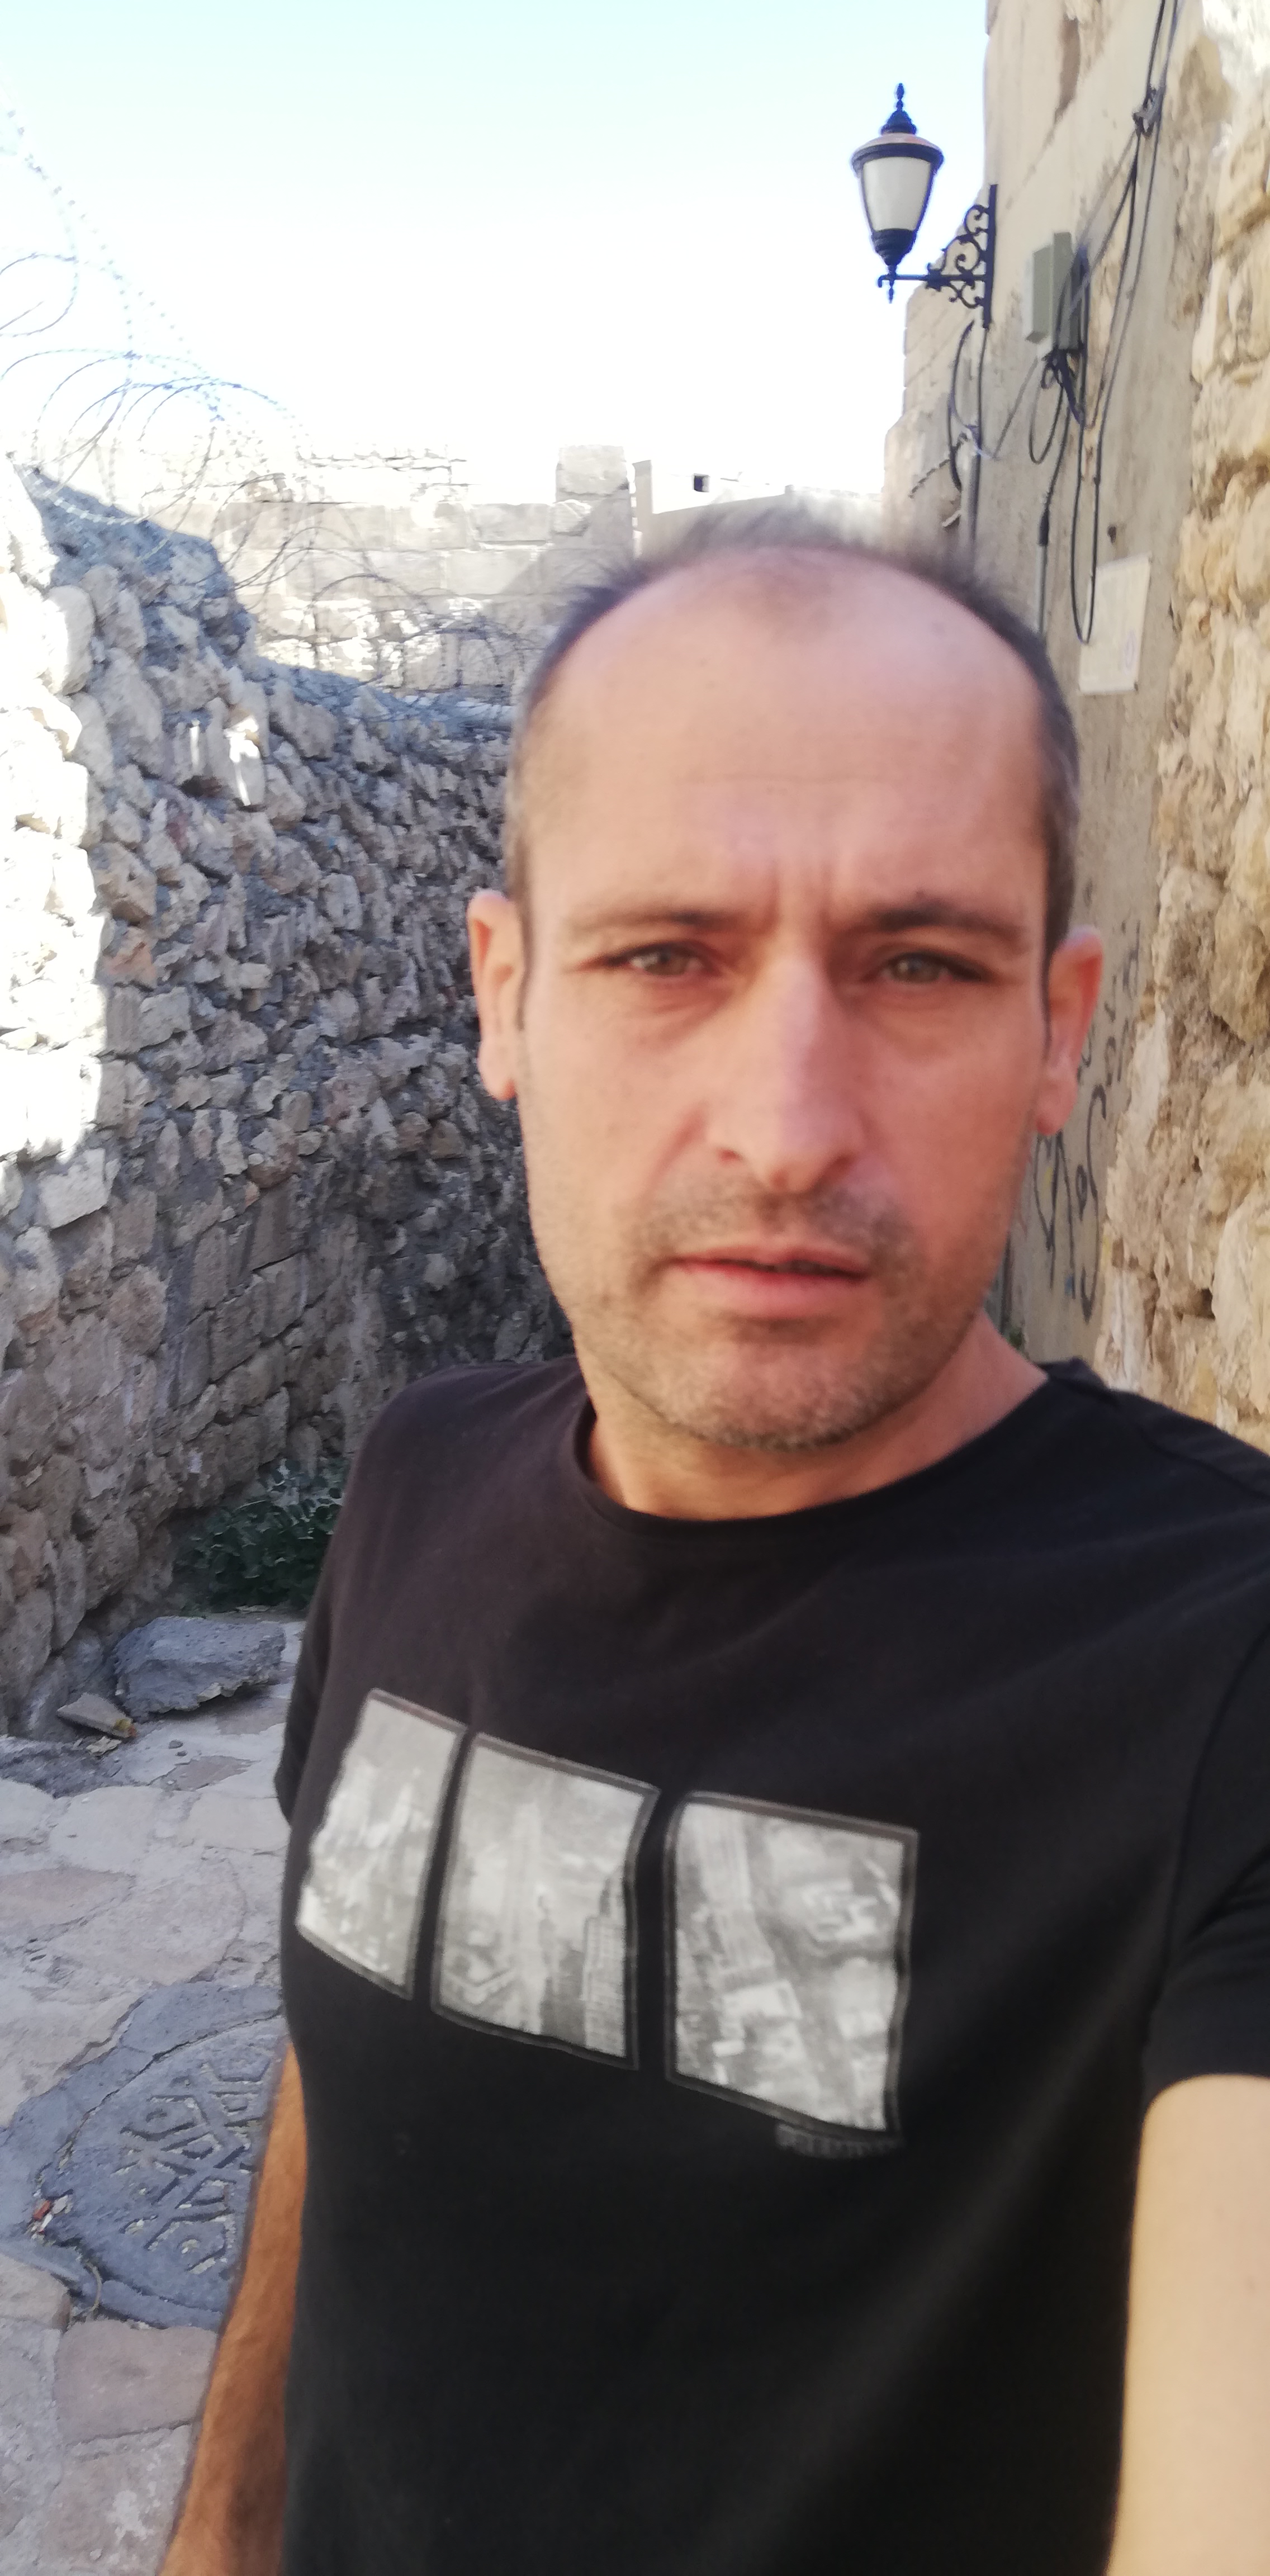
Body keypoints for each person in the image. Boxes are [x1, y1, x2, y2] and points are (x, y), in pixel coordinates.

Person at [162, 513, 1270, 2576]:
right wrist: (216, 2538)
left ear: (1058, 1032)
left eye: (919, 965)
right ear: (506, 996)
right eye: (666, 956)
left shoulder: (1226, 1678)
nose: (785, 1126)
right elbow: (347, 2089)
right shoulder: (416, 1485)